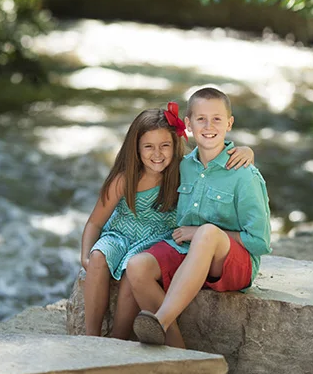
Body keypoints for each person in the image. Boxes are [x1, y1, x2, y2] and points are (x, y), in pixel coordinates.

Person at [80, 103, 255, 338]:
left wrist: (247, 151)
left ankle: (118, 338)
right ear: (136, 148)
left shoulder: (185, 171)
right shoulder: (124, 180)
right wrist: (86, 254)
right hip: (120, 234)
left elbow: (213, 157)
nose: (157, 154)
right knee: (98, 257)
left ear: (175, 145)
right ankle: (90, 337)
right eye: (148, 147)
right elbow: (94, 223)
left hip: (155, 238)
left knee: (133, 271)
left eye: (165, 146)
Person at [127, 87, 272, 347]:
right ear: (188, 124)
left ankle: (160, 320)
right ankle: (178, 353)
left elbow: (260, 242)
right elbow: (149, 163)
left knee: (206, 232)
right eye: (201, 119)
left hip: (231, 263)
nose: (208, 125)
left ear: (229, 123)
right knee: (137, 266)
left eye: (217, 119)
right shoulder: (183, 166)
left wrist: (200, 233)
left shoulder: (244, 174)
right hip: (187, 253)